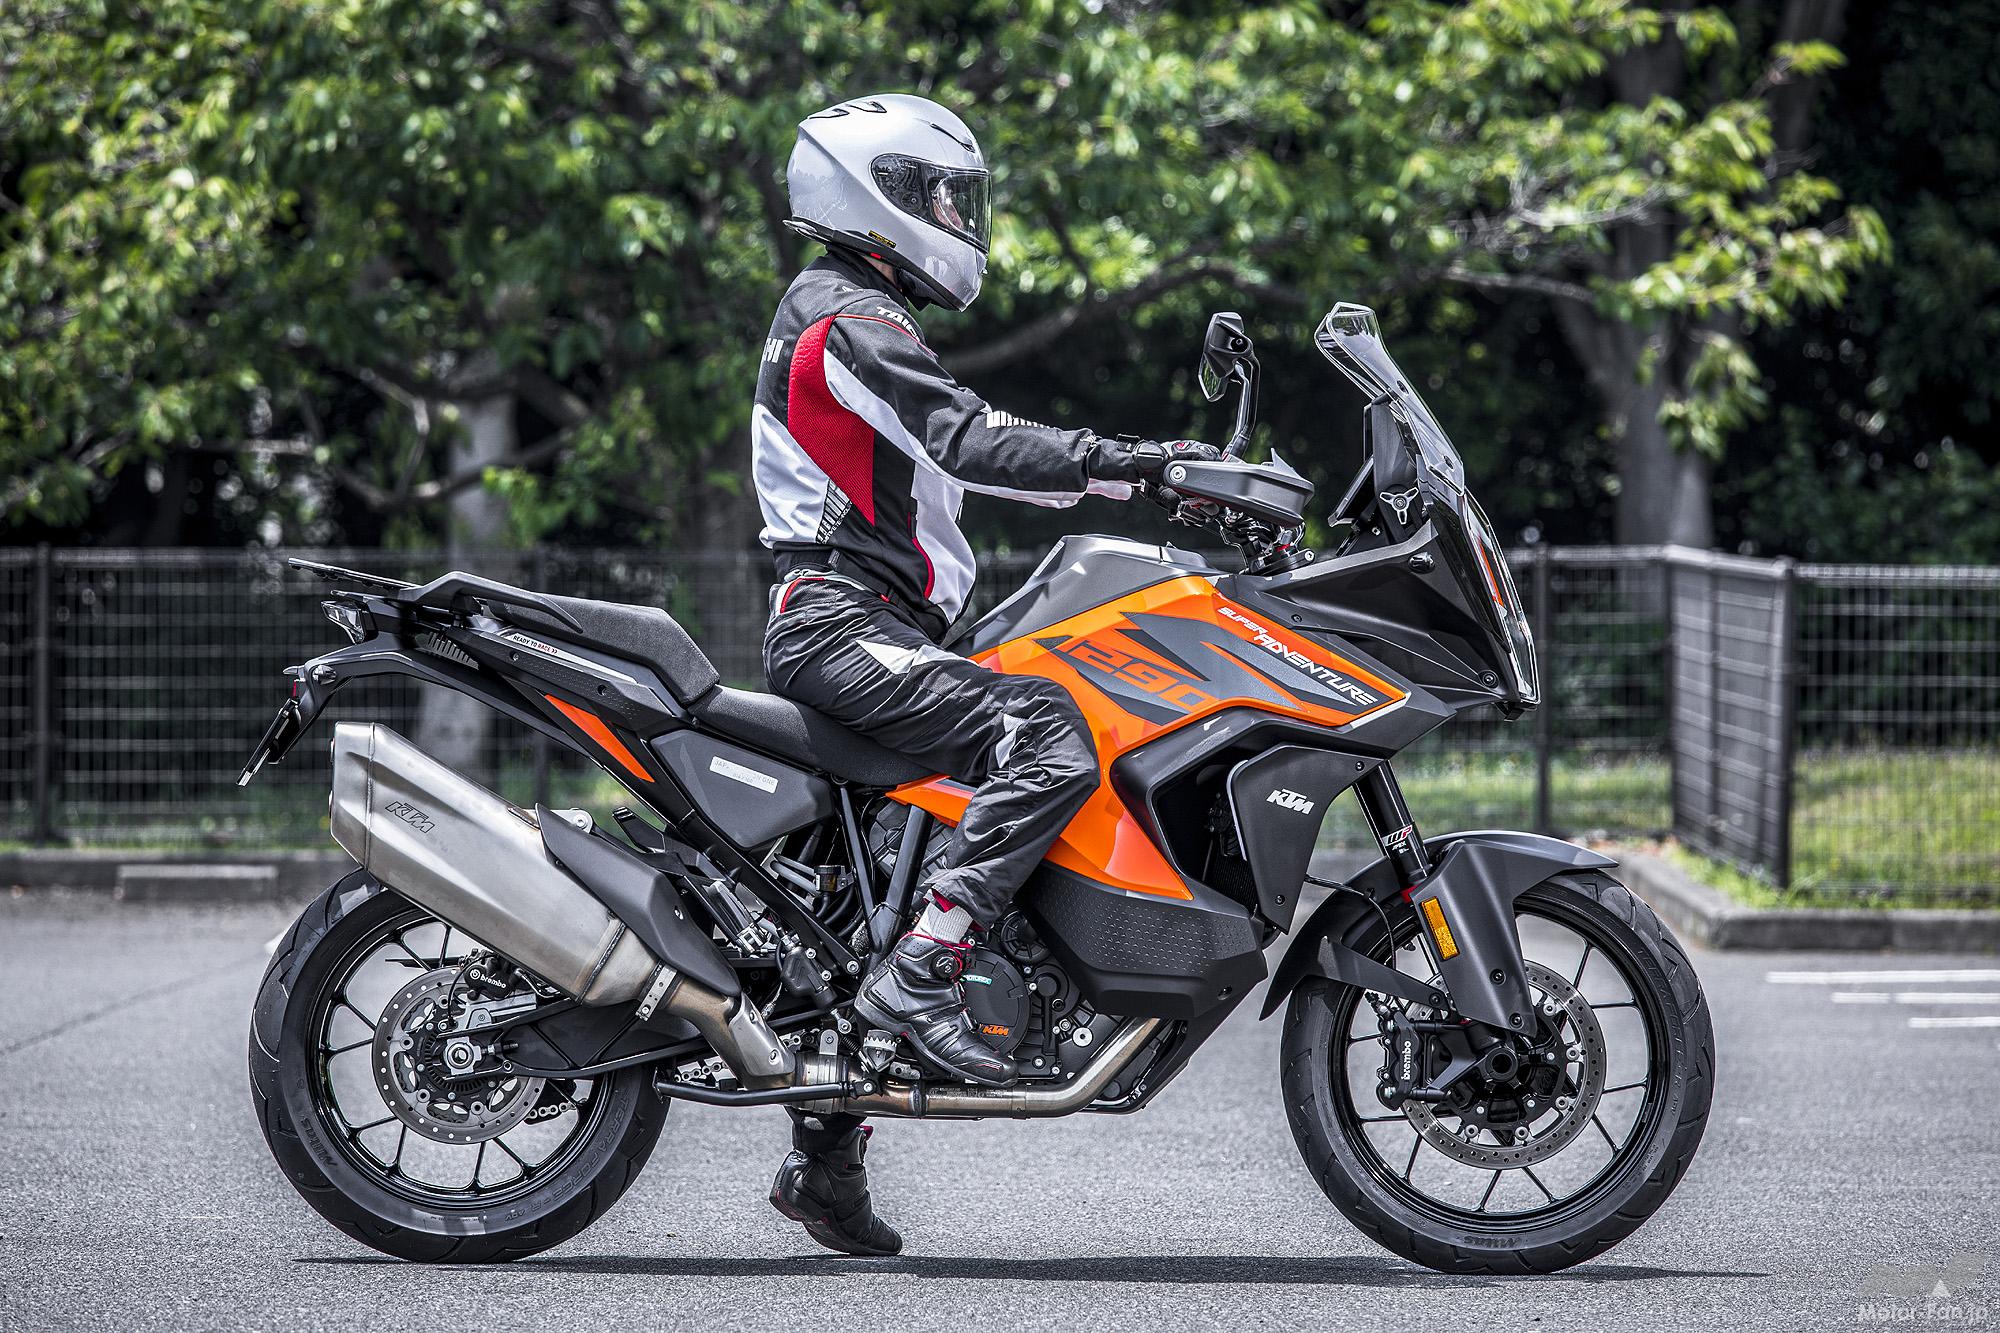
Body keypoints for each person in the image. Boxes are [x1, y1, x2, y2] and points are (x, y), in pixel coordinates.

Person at [753, 92, 1219, 1256]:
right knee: (1046, 733)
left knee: (860, 888)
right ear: (878, 194)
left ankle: (823, 1165)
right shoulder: (847, 316)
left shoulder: (849, 310)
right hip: (840, 623)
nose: (959, 219)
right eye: (942, 196)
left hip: (869, 622)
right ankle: (926, 972)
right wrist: (1145, 465)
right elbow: (968, 439)